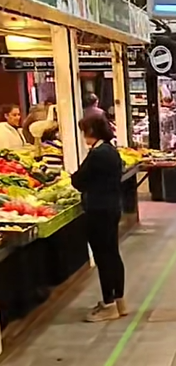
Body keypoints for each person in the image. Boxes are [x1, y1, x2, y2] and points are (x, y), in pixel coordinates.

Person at [71, 113, 126, 323]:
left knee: (103, 256)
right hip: (112, 207)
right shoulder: (111, 151)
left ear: (91, 132)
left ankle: (109, 304)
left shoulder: (97, 154)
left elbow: (78, 180)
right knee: (113, 254)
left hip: (98, 210)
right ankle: (120, 300)